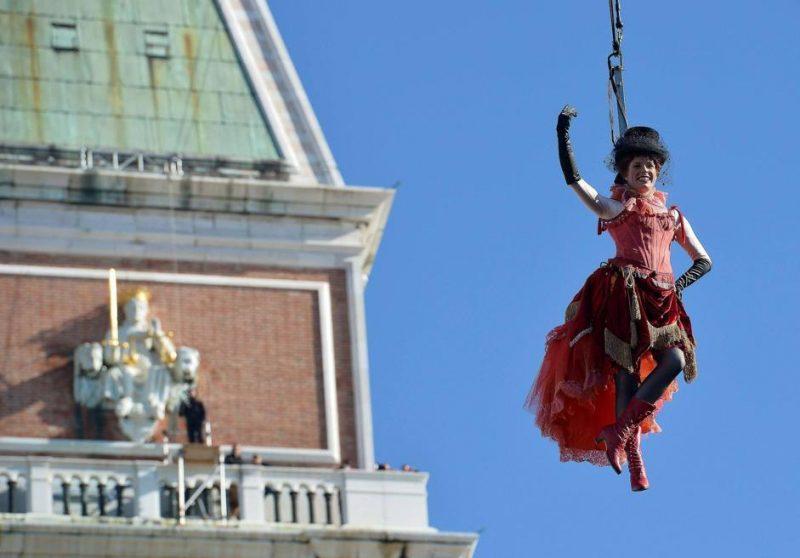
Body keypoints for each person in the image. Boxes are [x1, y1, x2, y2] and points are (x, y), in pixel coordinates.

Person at [525, 106, 712, 492]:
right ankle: (635, 461)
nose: (644, 171)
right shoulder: (619, 208)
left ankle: (621, 430)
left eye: (649, 165)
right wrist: (564, 136)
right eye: (636, 166)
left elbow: (703, 259)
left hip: (662, 297)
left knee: (674, 360)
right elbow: (577, 183)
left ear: (657, 171)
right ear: (624, 174)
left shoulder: (673, 217)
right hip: (623, 292)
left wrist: (677, 286)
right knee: (625, 374)